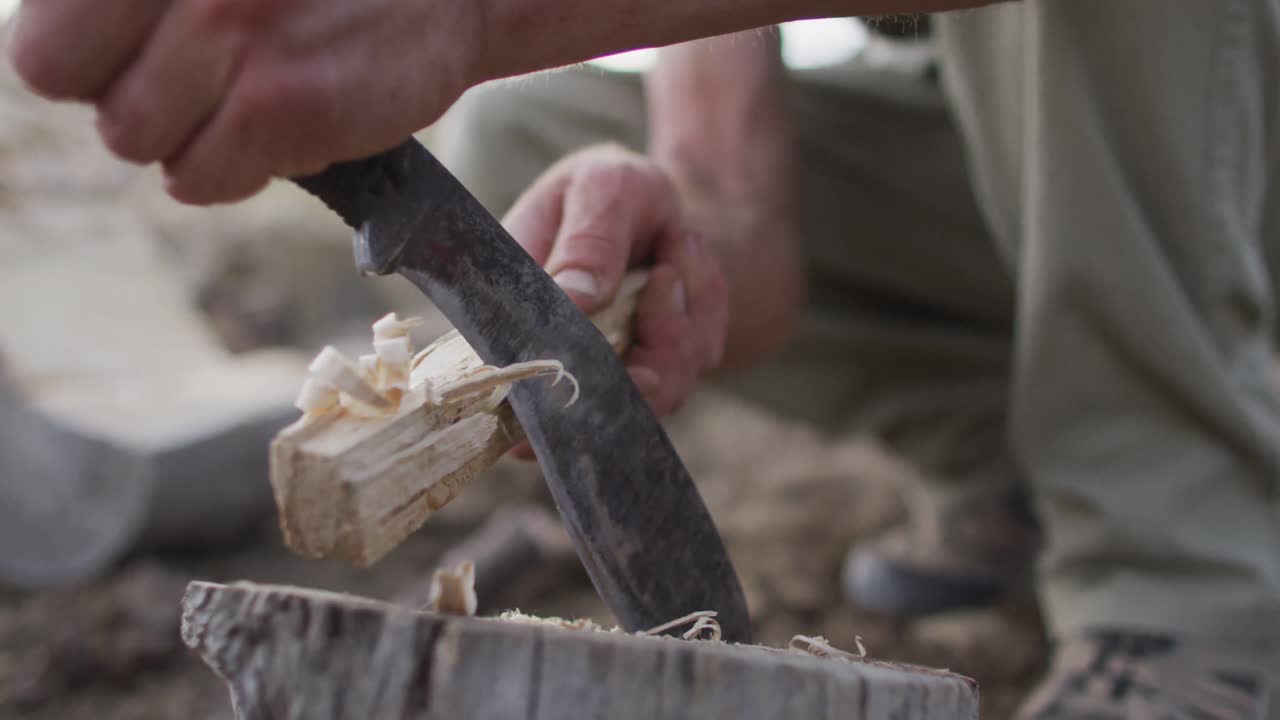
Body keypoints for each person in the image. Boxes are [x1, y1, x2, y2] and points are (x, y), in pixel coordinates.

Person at [7, 1, 1279, 717]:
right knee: (536, 130)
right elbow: (746, 250)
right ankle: (1021, 450)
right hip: (1092, 193)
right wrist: (649, 244)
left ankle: (1185, 582)